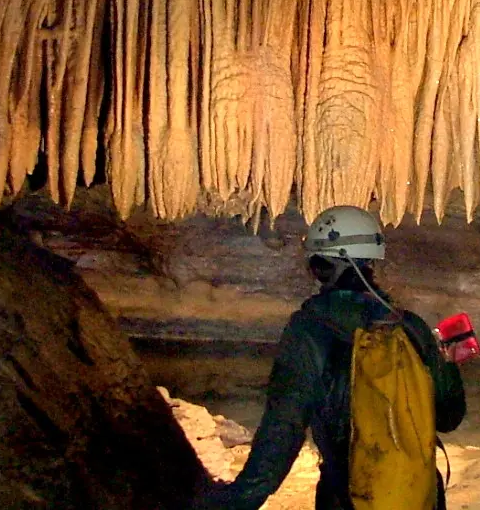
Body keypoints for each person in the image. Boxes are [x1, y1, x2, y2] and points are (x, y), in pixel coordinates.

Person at [192, 205, 466, 510]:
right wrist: (448, 362)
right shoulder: (411, 326)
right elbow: (449, 417)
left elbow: (283, 428)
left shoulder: (311, 328)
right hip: (421, 497)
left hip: (348, 498)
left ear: (325, 267)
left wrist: (237, 500)